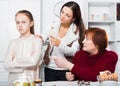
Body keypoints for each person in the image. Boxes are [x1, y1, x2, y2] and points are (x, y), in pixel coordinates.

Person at [40, 1, 85, 81]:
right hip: (49, 68)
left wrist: (60, 44)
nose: (62, 16)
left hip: (66, 70)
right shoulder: (52, 25)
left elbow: (73, 52)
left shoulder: (76, 31)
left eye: (67, 15)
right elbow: (42, 37)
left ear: (73, 18)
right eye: (62, 12)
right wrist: (39, 38)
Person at [53, 27, 118, 81]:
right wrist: (71, 77)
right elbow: (79, 75)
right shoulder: (79, 55)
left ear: (97, 43)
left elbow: (96, 77)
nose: (83, 41)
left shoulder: (111, 56)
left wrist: (67, 64)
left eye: (87, 39)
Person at [4, 10, 42, 85]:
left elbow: (33, 61)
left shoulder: (37, 40)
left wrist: (15, 61)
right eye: (18, 22)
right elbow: (6, 64)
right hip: (14, 81)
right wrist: (25, 65)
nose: (20, 25)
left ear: (31, 23)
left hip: (31, 80)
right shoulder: (13, 42)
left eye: (23, 22)